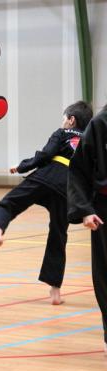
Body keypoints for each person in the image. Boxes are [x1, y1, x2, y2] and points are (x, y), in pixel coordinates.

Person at [0, 101, 93, 305]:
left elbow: (46, 155)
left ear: (71, 120)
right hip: (68, 189)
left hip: (46, 177)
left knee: (8, 204)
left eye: (64, 118)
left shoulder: (62, 133)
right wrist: (85, 207)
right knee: (58, 236)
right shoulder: (88, 141)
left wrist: (22, 166)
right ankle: (55, 292)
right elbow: (89, 173)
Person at [67, 103, 107, 353]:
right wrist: (85, 210)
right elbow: (79, 170)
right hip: (104, 208)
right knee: (105, 273)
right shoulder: (101, 122)